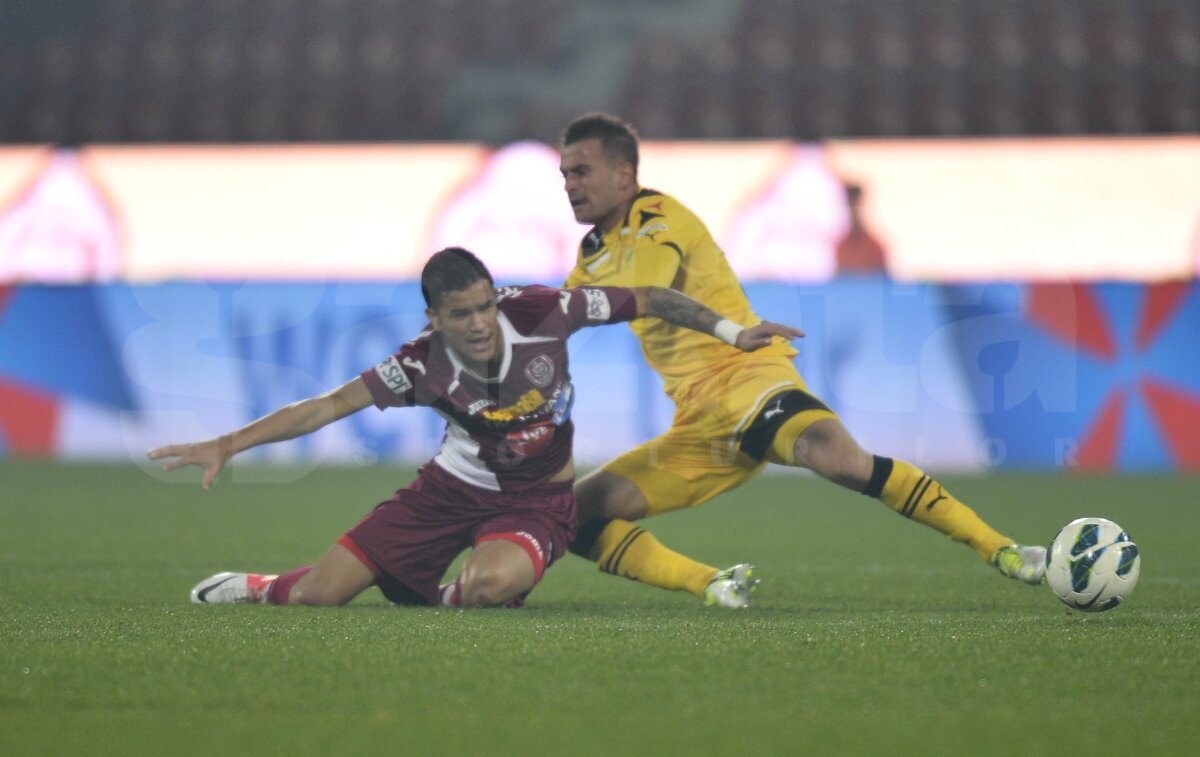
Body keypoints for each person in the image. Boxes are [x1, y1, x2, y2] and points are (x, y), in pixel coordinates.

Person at [558, 113, 1047, 607]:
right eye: (565, 175)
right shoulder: (593, 251)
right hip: (700, 425)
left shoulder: (657, 217)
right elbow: (561, 314)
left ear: (623, 176)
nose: (570, 185)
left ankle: (1002, 549)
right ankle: (712, 584)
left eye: (581, 171)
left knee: (843, 462)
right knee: (571, 514)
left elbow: (648, 291)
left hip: (745, 377)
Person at [148, 246, 801, 609]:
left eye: (487, 305)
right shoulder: (418, 366)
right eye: (462, 313)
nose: (482, 322)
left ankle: (448, 592)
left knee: (494, 584)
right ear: (433, 316)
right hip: (448, 490)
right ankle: (262, 586)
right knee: (320, 596)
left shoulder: (546, 310)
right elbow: (323, 407)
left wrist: (734, 331)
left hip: (538, 498)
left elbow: (652, 298)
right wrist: (227, 443)